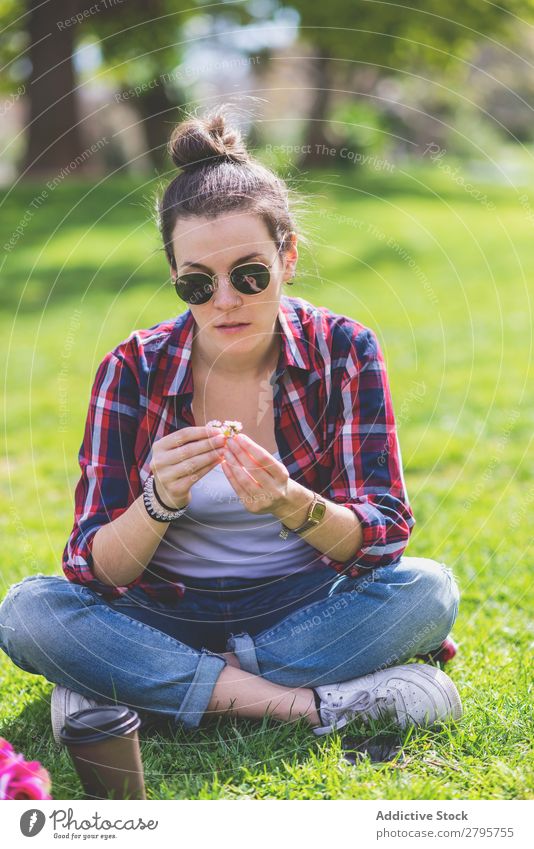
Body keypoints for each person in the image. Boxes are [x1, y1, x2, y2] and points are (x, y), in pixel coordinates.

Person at [0, 106, 462, 746]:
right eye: (197, 283)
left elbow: (383, 538)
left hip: (301, 608)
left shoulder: (344, 351)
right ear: (175, 278)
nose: (225, 301)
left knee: (429, 591)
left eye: (249, 275)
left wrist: (294, 505)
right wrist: (157, 501)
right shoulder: (131, 369)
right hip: (160, 612)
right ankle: (318, 708)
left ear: (288, 256)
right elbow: (95, 569)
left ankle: (139, 688)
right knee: (29, 612)